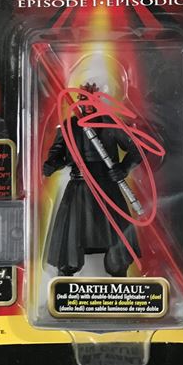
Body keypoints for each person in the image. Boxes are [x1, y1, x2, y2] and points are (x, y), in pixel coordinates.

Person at [43, 83, 142, 277]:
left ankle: (119, 271)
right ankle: (65, 276)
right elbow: (58, 153)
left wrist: (123, 168)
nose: (88, 104)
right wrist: (51, 164)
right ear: (78, 102)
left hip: (107, 186)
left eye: (92, 99)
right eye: (84, 99)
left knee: (118, 245)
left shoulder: (110, 123)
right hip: (79, 186)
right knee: (71, 241)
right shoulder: (69, 126)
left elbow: (136, 149)